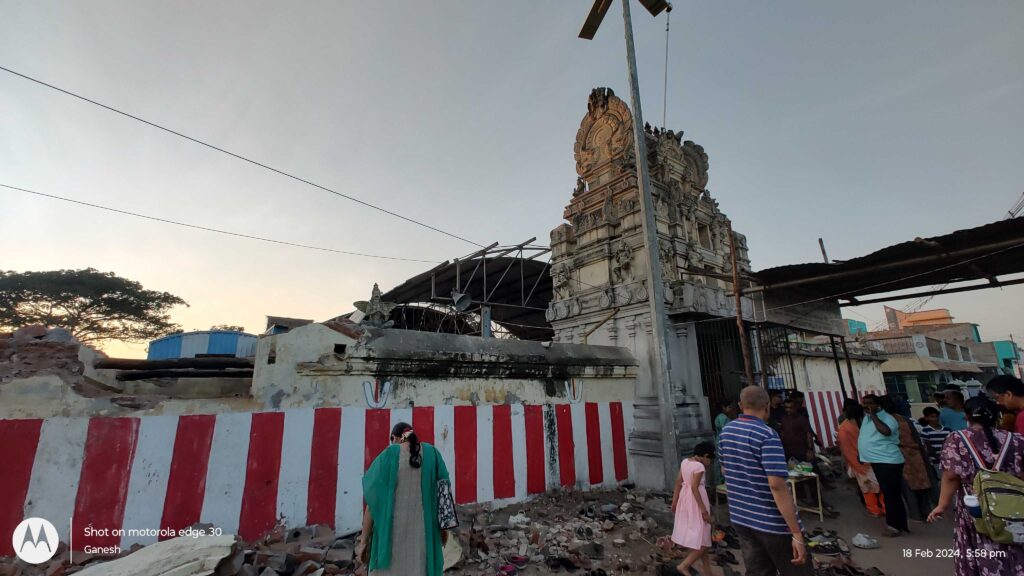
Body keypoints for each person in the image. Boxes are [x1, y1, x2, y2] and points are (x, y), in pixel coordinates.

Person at [719, 386, 811, 576]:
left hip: (741, 517)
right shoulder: (767, 435)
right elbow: (777, 486)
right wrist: (796, 532)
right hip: (772, 522)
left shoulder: (726, 432)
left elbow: (725, 470)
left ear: (740, 405)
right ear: (767, 406)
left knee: (757, 571)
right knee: (798, 571)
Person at [927, 397, 1024, 575]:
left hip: (975, 506)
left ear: (967, 417)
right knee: (1014, 542)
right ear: (997, 416)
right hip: (1013, 506)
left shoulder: (957, 439)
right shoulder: (1016, 439)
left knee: (982, 547)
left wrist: (942, 505)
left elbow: (951, 476)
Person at [358, 422, 450, 576]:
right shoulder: (433, 454)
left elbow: (373, 503)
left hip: (392, 537)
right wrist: (443, 528)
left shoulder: (389, 455)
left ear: (395, 437)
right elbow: (444, 494)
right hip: (422, 536)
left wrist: (364, 541)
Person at [858, 394, 909, 536]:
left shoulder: (888, 418)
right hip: (877, 461)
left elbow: (885, 431)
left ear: (878, 405)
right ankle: (900, 524)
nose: (866, 406)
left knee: (890, 495)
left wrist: (874, 415)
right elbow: (866, 436)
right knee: (891, 494)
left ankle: (894, 526)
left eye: (869, 403)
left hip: (888, 461)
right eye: (864, 403)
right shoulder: (866, 418)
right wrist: (861, 454)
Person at [666, 442, 716, 576]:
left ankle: (708, 572)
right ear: (705, 456)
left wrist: (675, 501)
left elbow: (678, 482)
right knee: (704, 540)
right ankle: (684, 566)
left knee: (701, 537)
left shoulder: (685, 462)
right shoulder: (699, 466)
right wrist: (704, 511)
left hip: (685, 500)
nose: (710, 463)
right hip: (696, 502)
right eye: (710, 459)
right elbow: (695, 487)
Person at [881, 396, 933, 522]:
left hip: (899, 455)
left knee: (907, 488)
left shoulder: (883, 422)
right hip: (915, 454)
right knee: (922, 485)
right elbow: (917, 438)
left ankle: (915, 515)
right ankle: (926, 512)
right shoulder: (905, 419)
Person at [836, 399, 885, 518]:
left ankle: (874, 510)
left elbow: (843, 445)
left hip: (858, 461)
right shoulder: (865, 423)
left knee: (867, 488)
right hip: (872, 459)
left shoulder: (845, 427)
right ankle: (884, 508)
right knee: (880, 486)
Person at [779, 398, 814, 463]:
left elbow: (808, 434)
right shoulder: (783, 418)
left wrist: (810, 449)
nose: (788, 410)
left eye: (791, 408)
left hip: (800, 452)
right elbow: (782, 433)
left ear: (795, 408)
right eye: (786, 407)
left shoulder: (802, 419)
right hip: (787, 451)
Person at [918, 407, 951, 474]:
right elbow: (928, 447)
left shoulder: (947, 430)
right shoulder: (925, 431)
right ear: (926, 418)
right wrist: (937, 458)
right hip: (935, 460)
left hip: (949, 459)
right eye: (932, 417)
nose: (935, 419)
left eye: (937, 416)